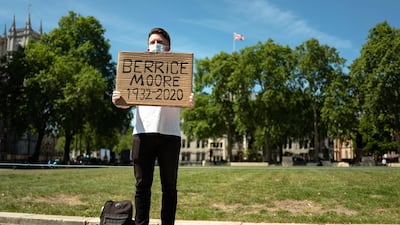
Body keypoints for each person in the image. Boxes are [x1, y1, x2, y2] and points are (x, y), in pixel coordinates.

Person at [112, 27, 194, 225]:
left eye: (160, 42)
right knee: (142, 186)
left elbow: (186, 99)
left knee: (169, 187)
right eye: (152, 42)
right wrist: (118, 99)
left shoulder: (179, 71)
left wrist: (192, 102)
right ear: (147, 48)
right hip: (142, 134)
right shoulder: (136, 69)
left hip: (170, 135)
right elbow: (124, 104)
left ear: (168, 47)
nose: (155, 45)